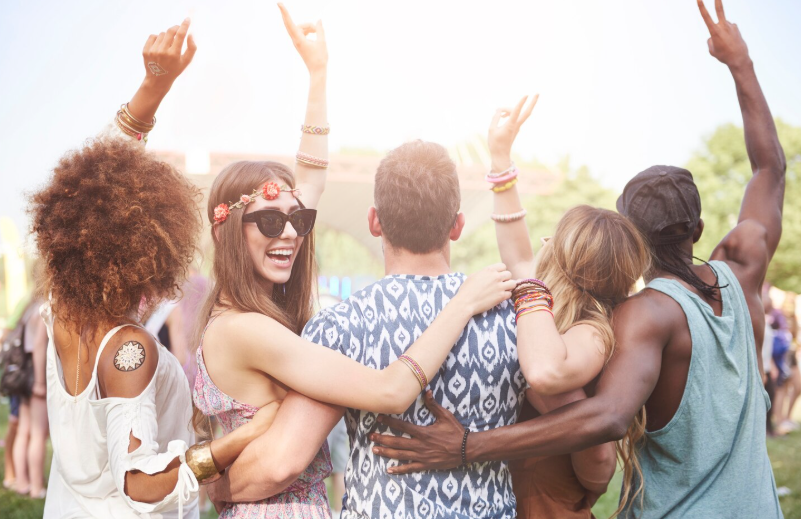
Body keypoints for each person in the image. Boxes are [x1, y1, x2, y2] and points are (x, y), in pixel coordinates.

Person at [371, 2, 786, 518]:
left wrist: (468, 446)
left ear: (631, 238)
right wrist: (741, 62)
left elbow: (606, 419)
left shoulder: (646, 315)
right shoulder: (741, 271)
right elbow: (770, 168)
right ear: (698, 229)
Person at [192, 6, 514, 518]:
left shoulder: (275, 316)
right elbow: (388, 390)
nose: (290, 233)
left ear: (373, 221)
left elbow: (309, 180)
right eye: (270, 222)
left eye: (298, 220)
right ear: (226, 231)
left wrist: (318, 76)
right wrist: (460, 304)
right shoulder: (245, 328)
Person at [29, 19, 278, 518]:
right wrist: (239, 439)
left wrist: (153, 87)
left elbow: (96, 187)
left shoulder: (61, 311)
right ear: (149, 250)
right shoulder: (129, 348)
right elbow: (140, 484)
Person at [478, 94, 651, 516]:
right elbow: (516, 248)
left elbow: (599, 459)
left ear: (559, 258)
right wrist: (500, 160)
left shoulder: (592, 332)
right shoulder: (541, 314)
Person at [11, 296, 48, 499]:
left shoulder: (29, 307)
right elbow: (40, 345)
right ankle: (36, 487)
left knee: (24, 431)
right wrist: (40, 382)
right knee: (38, 434)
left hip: (23, 375)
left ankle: (22, 482)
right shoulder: (44, 309)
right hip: (36, 375)